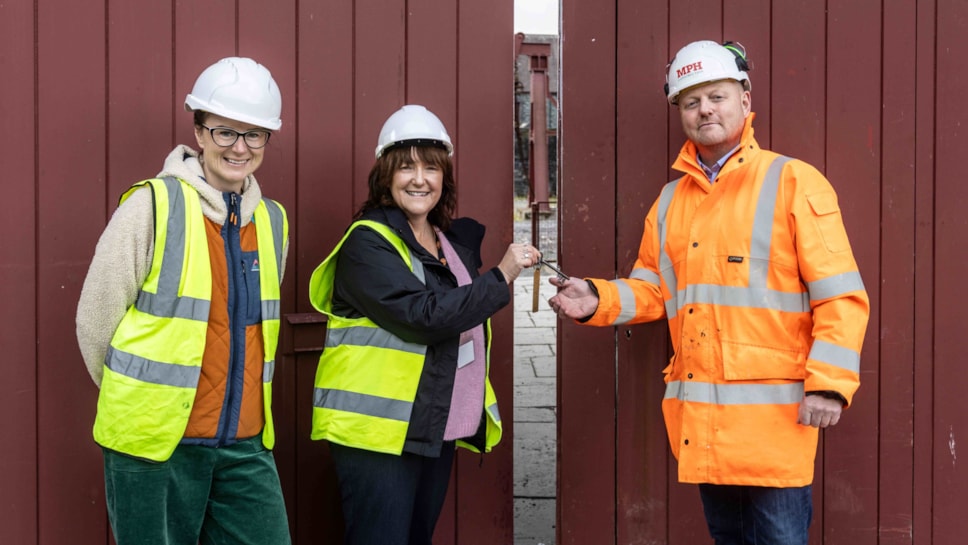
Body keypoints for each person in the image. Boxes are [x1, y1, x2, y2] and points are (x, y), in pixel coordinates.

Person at [549, 40, 870, 545]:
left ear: (745, 99)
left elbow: (840, 295)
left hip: (775, 426)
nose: (705, 110)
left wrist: (829, 385)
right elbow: (654, 288)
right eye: (691, 102)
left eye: (717, 97)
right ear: (680, 113)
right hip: (705, 424)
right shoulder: (671, 200)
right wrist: (598, 299)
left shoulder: (793, 182)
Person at [75, 57, 292, 545]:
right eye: (225, 132)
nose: (240, 147)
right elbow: (95, 321)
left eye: (254, 134)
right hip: (152, 446)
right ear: (198, 132)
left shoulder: (273, 222)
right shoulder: (152, 206)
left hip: (244, 444)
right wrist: (137, 399)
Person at [308, 104, 538, 545]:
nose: (419, 179)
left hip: (431, 422)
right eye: (406, 167)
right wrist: (502, 275)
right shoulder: (366, 244)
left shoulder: (445, 240)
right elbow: (423, 316)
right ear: (385, 175)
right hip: (377, 434)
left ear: (444, 177)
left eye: (431, 167)